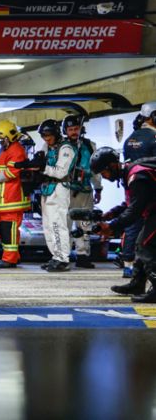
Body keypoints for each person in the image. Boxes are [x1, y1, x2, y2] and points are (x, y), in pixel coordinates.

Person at [91, 148, 156, 302]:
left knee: (145, 245)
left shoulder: (136, 176)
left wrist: (112, 226)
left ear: (112, 165)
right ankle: (138, 284)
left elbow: (135, 210)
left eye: (103, 172)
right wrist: (112, 213)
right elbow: (133, 203)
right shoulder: (130, 174)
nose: (104, 177)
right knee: (141, 244)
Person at [32, 119, 76, 272]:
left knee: (58, 224)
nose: (46, 138)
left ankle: (63, 258)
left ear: (56, 133)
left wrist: (43, 167)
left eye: (49, 135)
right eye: (44, 136)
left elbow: (61, 172)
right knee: (48, 225)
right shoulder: (47, 147)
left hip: (59, 188)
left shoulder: (66, 148)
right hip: (47, 188)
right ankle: (55, 256)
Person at [0, 120, 30, 268]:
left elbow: (12, 172)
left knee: (8, 229)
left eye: (1, 138)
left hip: (12, 198)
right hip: (6, 199)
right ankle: (13, 256)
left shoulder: (16, 150)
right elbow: (3, 168)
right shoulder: (9, 150)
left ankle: (9, 259)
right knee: (8, 230)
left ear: (8, 137)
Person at [61, 115, 102, 269]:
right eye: (70, 129)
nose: (74, 132)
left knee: (85, 225)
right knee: (65, 224)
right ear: (65, 131)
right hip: (65, 191)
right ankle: (63, 255)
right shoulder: (61, 146)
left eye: (76, 129)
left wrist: (98, 188)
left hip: (85, 190)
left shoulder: (90, 145)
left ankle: (82, 255)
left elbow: (96, 168)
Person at [121, 102, 156, 277]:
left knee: (132, 224)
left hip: (131, 185)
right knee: (148, 230)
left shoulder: (131, 138)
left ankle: (128, 264)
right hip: (150, 188)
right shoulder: (154, 137)